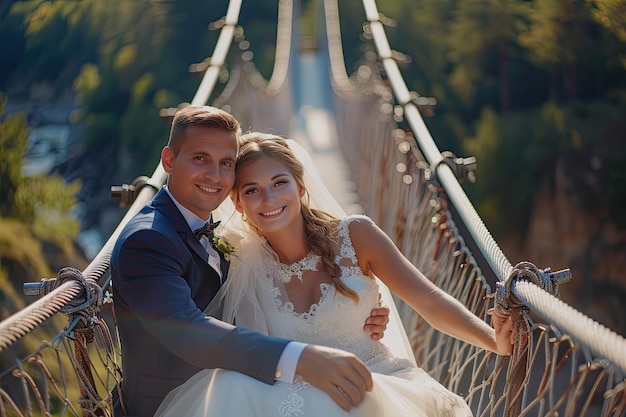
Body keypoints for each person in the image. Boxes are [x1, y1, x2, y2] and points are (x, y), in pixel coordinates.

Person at [153, 133, 515, 417]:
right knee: (228, 386)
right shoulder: (237, 259)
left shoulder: (356, 236)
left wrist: (493, 340)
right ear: (238, 204)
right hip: (291, 395)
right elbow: (221, 337)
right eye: (251, 190)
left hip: (373, 383)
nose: (268, 198)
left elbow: (428, 301)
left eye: (280, 183)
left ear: (301, 187)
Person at [110, 106, 391, 417]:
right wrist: (300, 359)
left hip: (242, 392)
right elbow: (187, 330)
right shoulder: (147, 240)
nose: (214, 175)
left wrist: (354, 309)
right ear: (169, 161)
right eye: (200, 158)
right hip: (177, 406)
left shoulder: (232, 241)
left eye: (226, 163)